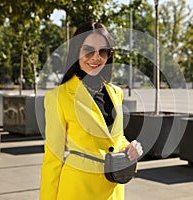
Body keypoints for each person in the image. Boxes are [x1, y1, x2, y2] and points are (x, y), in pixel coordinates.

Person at [40, 21, 143, 200]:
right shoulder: (59, 97)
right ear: (76, 52)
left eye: (103, 51)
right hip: (77, 189)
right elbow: (53, 158)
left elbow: (115, 140)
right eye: (88, 50)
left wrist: (130, 147)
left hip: (114, 190)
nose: (96, 57)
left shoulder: (116, 93)